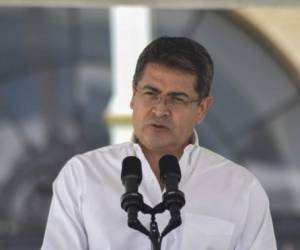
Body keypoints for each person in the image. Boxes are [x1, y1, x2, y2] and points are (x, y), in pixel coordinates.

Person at [41, 36, 277, 249]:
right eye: (151, 93)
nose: (161, 109)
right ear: (133, 97)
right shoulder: (82, 176)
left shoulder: (241, 189)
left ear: (202, 109)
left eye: (177, 98)